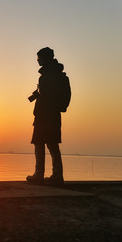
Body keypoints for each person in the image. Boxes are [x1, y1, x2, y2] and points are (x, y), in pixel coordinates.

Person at [27, 47, 68, 186]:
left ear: (46, 58)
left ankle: (39, 175)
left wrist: (41, 96)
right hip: (52, 115)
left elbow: (49, 96)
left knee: (39, 143)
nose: (37, 61)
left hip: (45, 115)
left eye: (39, 58)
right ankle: (57, 175)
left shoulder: (48, 76)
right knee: (52, 144)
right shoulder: (56, 75)